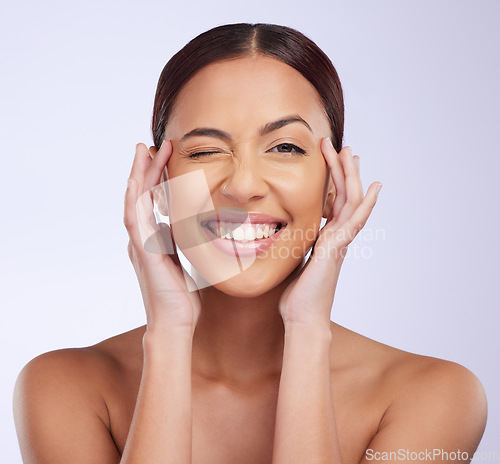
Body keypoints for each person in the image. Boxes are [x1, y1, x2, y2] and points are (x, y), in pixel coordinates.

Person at [13, 23, 487, 464]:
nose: (243, 186)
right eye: (204, 151)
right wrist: (170, 334)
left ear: (333, 185)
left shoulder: (435, 397)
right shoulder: (65, 388)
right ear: (158, 183)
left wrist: (307, 331)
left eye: (285, 147)